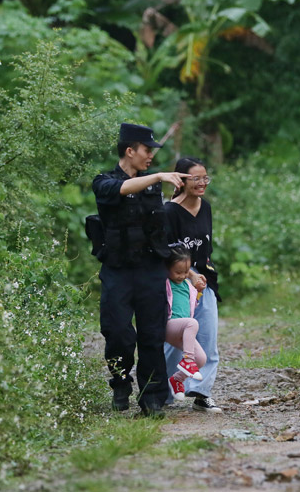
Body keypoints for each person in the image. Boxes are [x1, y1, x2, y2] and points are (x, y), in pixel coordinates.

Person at [91, 123, 191, 418]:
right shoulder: (104, 181)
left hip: (149, 269)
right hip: (118, 270)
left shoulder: (153, 186)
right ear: (130, 150)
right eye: (147, 150)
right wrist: (157, 176)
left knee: (151, 334)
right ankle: (121, 383)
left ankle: (153, 398)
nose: (150, 156)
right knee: (119, 333)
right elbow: (121, 190)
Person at [164, 157, 222, 413]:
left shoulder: (206, 207)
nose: (202, 183)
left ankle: (201, 392)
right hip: (179, 281)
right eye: (196, 178)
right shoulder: (169, 211)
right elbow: (168, 252)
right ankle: (164, 393)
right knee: (177, 338)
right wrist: (189, 276)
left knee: (208, 336)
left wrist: (202, 275)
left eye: (205, 178)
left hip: (204, 279)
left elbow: (205, 247)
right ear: (182, 180)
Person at [164, 246, 206, 401]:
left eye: (186, 272)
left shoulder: (188, 285)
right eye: (178, 272)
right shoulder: (166, 282)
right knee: (192, 323)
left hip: (183, 328)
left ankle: (177, 379)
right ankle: (187, 360)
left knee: (201, 359)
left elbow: (189, 306)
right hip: (169, 325)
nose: (182, 276)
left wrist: (199, 292)